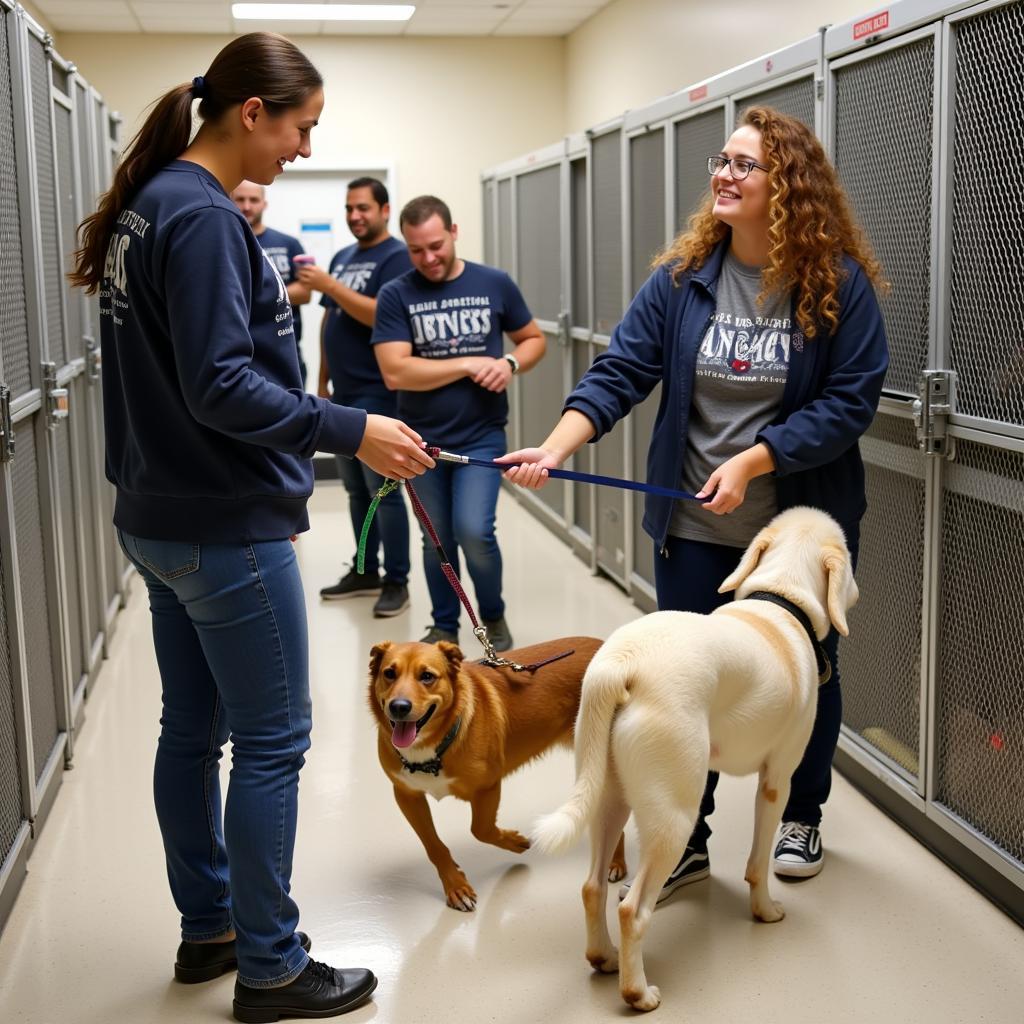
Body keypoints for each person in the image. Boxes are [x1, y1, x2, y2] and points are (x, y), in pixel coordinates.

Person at [69, 32, 434, 1022]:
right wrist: (350, 428)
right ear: (251, 114)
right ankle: (271, 965)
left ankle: (212, 928)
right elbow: (221, 385)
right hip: (223, 524)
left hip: (160, 515)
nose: (303, 150)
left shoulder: (156, 205)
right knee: (273, 739)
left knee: (191, 729)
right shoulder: (196, 216)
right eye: (301, 127)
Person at [500, 106, 889, 897]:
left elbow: (852, 400)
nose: (724, 174)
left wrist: (757, 456)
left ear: (787, 187)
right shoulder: (683, 282)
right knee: (686, 683)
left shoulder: (838, 286)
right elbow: (620, 372)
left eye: (745, 165)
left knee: (812, 671)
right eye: (722, 159)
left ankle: (802, 813)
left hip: (793, 539)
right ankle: (687, 836)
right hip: (696, 525)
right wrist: (557, 446)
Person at [372, 195, 546, 650]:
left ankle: (493, 614)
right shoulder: (396, 294)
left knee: (474, 530)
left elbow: (532, 340)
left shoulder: (494, 283)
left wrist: (508, 362)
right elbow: (396, 370)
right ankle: (445, 625)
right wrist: (469, 363)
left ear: (453, 231)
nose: (428, 258)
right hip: (420, 441)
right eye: (416, 250)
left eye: (435, 245)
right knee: (436, 540)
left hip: (481, 435)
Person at [294, 177, 413, 617]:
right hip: (342, 391)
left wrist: (327, 284)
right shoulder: (345, 256)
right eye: (349, 209)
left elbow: (381, 313)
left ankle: (396, 582)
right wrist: (323, 381)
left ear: (384, 210)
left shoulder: (397, 255)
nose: (355, 216)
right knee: (355, 491)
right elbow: (332, 322)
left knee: (384, 490)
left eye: (363, 208)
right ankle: (366, 569)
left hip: (377, 391)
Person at [231, 180, 312, 384]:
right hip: (242, 354)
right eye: (240, 199)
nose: (247, 206)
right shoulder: (229, 241)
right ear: (231, 200)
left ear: (264, 204)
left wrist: (252, 295)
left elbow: (305, 291)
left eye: (254, 200)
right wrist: (278, 293)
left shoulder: (288, 243)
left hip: (286, 350)